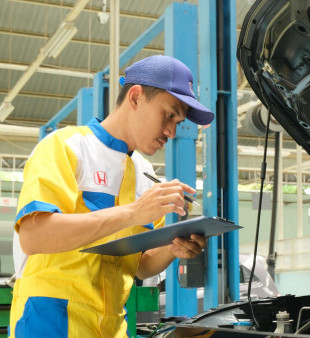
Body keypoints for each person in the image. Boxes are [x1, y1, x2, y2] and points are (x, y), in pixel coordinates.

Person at [9, 55, 214, 337]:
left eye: (178, 122)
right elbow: (34, 237)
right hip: (49, 320)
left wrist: (172, 249)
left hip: (111, 325)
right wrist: (132, 213)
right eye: (169, 114)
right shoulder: (66, 146)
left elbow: (141, 267)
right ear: (135, 97)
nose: (171, 131)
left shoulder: (143, 172)